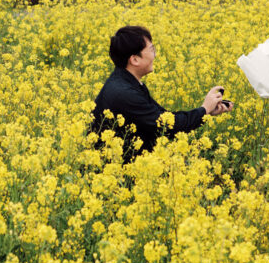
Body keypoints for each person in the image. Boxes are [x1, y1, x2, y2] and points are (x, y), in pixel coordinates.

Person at [90, 25, 231, 161]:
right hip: (119, 172)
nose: (155, 55)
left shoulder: (126, 82)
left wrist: (206, 111)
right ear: (134, 59)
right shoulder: (125, 93)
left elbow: (165, 117)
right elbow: (168, 125)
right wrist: (204, 109)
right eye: (152, 50)